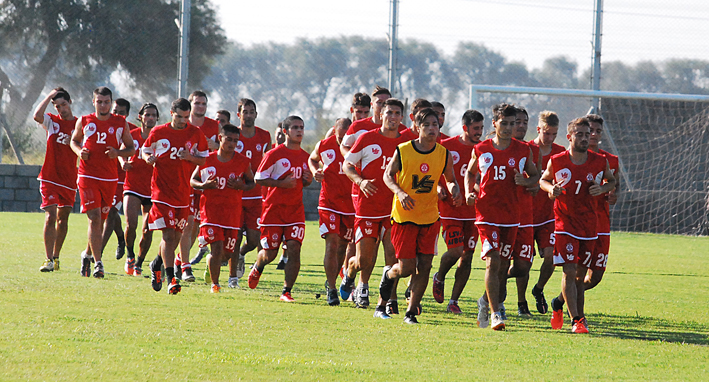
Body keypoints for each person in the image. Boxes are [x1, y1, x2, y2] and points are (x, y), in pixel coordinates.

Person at [379, 107, 462, 324]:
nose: (432, 129)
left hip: (430, 218)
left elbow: (450, 178)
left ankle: (410, 311)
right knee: (406, 268)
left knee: (425, 265)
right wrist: (400, 192)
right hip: (404, 217)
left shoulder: (443, 154)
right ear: (417, 127)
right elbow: (387, 176)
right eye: (427, 125)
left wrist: (454, 188)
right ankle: (388, 274)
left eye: (435, 125)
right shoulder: (404, 150)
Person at [464, 103, 539, 330]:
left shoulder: (522, 150)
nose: (508, 128)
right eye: (503, 123)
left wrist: (525, 181)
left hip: (511, 216)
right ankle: (496, 314)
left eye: (512, 124)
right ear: (494, 123)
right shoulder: (482, 148)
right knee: (493, 260)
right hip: (486, 214)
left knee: (503, 266)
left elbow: (535, 176)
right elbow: (470, 171)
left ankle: (486, 302)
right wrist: (469, 191)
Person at [540, 117, 615, 334]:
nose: (585, 138)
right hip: (565, 225)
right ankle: (577, 320)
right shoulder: (558, 160)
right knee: (569, 271)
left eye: (587, 134)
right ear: (569, 137)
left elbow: (611, 181)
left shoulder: (600, 161)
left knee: (580, 276)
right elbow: (543, 179)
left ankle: (563, 308)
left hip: (589, 226)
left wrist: (603, 189)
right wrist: (550, 188)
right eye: (580, 134)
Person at [341, 98, 410, 318]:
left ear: (401, 117)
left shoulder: (408, 140)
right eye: (389, 112)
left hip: (394, 208)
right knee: (364, 261)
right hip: (367, 208)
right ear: (381, 114)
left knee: (393, 258)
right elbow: (347, 164)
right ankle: (350, 273)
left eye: (397, 113)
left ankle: (388, 301)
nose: (392, 117)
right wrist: (360, 181)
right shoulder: (367, 138)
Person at [142, 98, 208, 294]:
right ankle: (171, 279)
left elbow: (204, 159)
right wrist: (149, 159)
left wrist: (190, 158)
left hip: (183, 192)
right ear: (171, 113)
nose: (183, 121)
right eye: (179, 116)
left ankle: (156, 263)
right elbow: (145, 150)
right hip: (161, 192)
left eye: (186, 117)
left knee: (176, 237)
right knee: (169, 236)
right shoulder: (159, 132)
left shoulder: (195, 133)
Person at [70, 86, 135, 278]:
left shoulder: (120, 123)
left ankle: (88, 254)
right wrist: (79, 152)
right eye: (99, 101)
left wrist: (118, 153)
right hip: (87, 176)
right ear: (94, 102)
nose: (103, 105)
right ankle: (98, 263)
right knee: (95, 218)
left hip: (109, 178)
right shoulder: (85, 120)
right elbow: (74, 141)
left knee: (102, 220)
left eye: (107, 102)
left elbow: (131, 148)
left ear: (111, 103)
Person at [247, 116, 312, 302]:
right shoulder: (274, 154)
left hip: (295, 212)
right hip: (273, 211)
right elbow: (258, 178)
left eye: (302, 127)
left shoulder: (305, 158)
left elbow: (303, 183)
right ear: (285, 132)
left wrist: (307, 180)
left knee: (294, 248)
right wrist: (280, 184)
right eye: (295, 128)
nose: (299, 131)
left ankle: (286, 291)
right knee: (270, 254)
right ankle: (258, 266)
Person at [431, 109, 484, 314]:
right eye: (475, 128)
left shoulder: (483, 150)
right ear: (465, 128)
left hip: (474, 213)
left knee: (467, 257)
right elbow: (432, 170)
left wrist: (477, 191)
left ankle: (453, 301)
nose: (479, 132)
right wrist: (437, 188)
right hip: (450, 210)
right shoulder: (446, 147)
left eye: (481, 128)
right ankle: (440, 276)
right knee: (455, 251)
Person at [191, 123, 254, 292]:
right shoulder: (207, 159)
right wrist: (204, 184)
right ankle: (215, 284)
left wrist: (241, 184)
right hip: (210, 212)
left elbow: (251, 183)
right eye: (229, 139)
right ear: (220, 138)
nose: (232, 143)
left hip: (232, 213)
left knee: (227, 253)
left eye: (235, 140)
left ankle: (211, 265)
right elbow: (193, 180)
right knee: (217, 247)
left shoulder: (242, 162)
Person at [308, 117, 354, 306]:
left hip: (351, 205)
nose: (343, 141)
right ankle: (333, 290)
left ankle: (331, 281)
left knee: (343, 246)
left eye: (346, 137)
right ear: (334, 131)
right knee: (332, 242)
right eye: (340, 136)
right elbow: (312, 158)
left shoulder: (357, 147)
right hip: (329, 203)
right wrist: (314, 171)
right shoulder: (324, 145)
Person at [176, 90, 220, 281]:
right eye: (197, 103)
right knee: (187, 224)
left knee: (194, 229)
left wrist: (214, 145)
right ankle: (186, 267)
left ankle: (179, 259)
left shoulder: (214, 126)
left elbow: (225, 148)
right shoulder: (183, 124)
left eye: (204, 103)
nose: (200, 107)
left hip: (205, 183)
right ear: (190, 105)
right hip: (185, 181)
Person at [34, 87, 78, 273]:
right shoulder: (52, 121)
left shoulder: (79, 125)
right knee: (50, 215)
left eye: (64, 104)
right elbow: (37, 115)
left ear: (70, 103)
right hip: (50, 177)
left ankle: (57, 256)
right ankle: (48, 259)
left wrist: (74, 143)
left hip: (69, 179)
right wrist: (49, 96)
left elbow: (87, 149)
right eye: (57, 106)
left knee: (63, 219)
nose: (61, 109)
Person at [504, 105, 541, 317]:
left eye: (524, 122)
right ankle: (514, 303)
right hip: (502, 216)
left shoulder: (531, 150)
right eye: (517, 122)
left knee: (523, 266)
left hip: (525, 216)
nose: (520, 126)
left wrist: (530, 183)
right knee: (500, 261)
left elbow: (537, 178)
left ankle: (507, 287)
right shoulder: (495, 148)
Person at [528, 111, 565, 314]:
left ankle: (538, 289)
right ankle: (519, 302)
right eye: (546, 133)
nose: (550, 138)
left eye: (554, 134)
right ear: (538, 129)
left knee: (550, 258)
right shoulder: (527, 150)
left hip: (549, 217)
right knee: (523, 264)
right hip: (526, 216)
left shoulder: (560, 154)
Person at [234, 98, 272, 281]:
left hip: (256, 195)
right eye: (245, 112)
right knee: (234, 238)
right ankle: (232, 277)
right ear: (238, 114)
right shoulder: (233, 135)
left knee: (254, 240)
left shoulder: (264, 136)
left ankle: (241, 254)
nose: (248, 116)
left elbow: (268, 161)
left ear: (256, 114)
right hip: (236, 193)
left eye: (251, 112)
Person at [121, 103, 159, 276]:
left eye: (153, 115)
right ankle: (129, 255)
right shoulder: (133, 135)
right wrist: (123, 163)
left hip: (153, 189)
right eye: (147, 115)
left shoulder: (160, 137)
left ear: (157, 118)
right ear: (140, 117)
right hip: (133, 186)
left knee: (147, 229)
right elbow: (122, 151)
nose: (150, 118)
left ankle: (139, 262)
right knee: (131, 224)